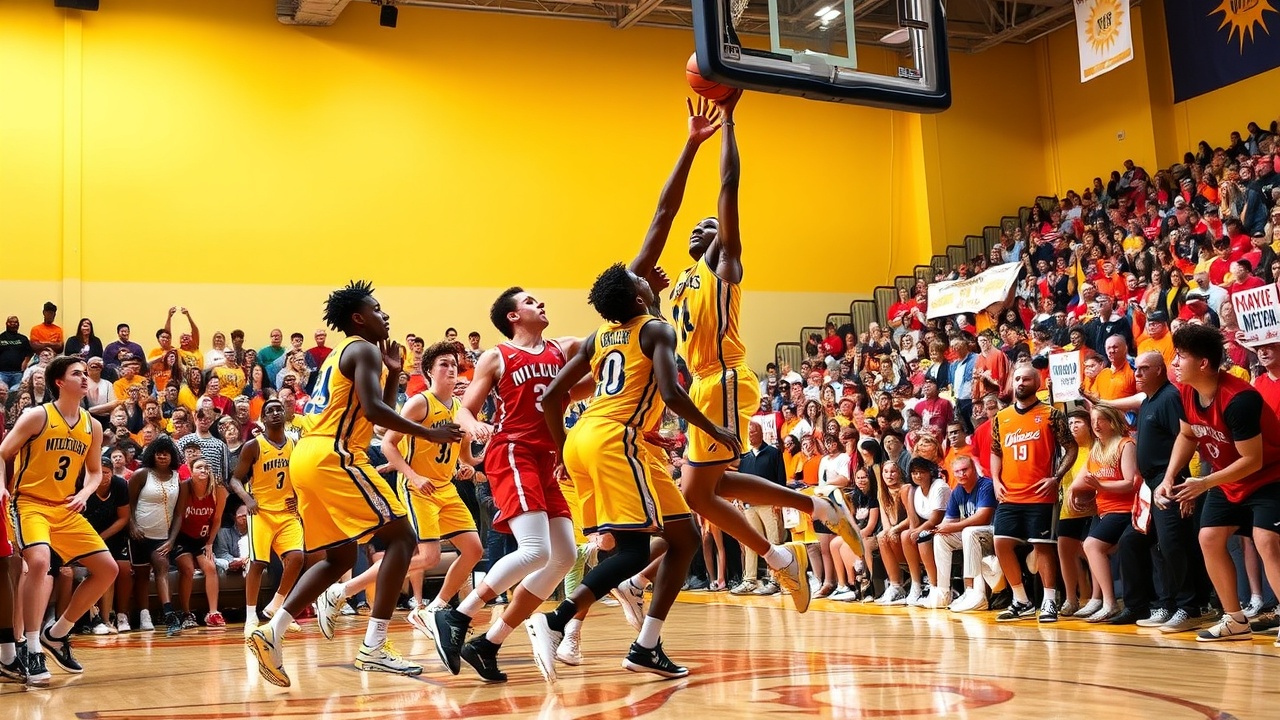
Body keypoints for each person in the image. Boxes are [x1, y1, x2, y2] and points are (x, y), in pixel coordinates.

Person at [653, 91, 860, 614]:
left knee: (698, 492)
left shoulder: (724, 265)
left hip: (724, 376)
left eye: (712, 225)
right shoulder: (679, 287)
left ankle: (783, 551)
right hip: (704, 382)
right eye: (698, 226)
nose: (704, 227)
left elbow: (729, 185)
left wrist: (728, 122)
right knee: (704, 489)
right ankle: (813, 513)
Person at [247, 281, 463, 687]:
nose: (385, 315)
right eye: (377, 309)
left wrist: (394, 373)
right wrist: (428, 432)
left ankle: (272, 630)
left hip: (307, 457)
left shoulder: (343, 354)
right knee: (402, 539)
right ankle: (374, 646)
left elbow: (374, 408)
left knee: (339, 558)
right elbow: (376, 411)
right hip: (336, 454)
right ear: (359, 318)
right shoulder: (363, 348)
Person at [535, 262, 739, 680]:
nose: (644, 277)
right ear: (637, 296)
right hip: (616, 438)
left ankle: (646, 646)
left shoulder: (599, 337)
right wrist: (713, 428)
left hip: (584, 436)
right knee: (632, 551)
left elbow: (552, 396)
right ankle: (556, 621)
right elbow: (672, 393)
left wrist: (561, 451)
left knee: (685, 537)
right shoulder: (657, 330)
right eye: (639, 280)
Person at [433, 286, 582, 683]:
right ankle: (456, 614)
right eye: (530, 302)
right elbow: (465, 411)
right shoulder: (498, 355)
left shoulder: (562, 348)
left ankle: (488, 643)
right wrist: (475, 426)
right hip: (513, 450)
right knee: (535, 550)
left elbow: (606, 341)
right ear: (513, 316)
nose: (541, 303)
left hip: (547, 458)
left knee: (564, 556)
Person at [1160, 324, 1280, 642]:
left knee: (1266, 540)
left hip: (1270, 476)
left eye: (1180, 356)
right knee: (1210, 538)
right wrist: (1169, 476)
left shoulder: (1240, 399)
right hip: (1228, 478)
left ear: (1202, 363)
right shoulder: (1186, 391)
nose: (1174, 362)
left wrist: (1204, 482)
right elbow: (1187, 435)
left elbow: (1252, 460)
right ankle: (1235, 620)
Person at [0, 356, 116, 684]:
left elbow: (94, 471)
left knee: (108, 570)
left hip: (65, 507)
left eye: (86, 373)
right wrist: (1, 487)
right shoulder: (38, 415)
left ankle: (58, 633)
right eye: (77, 373)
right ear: (59, 382)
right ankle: (31, 647)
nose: (85, 378)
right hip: (30, 503)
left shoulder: (92, 426)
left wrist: (85, 493)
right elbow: (3, 452)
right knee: (39, 562)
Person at [365, 342, 484, 641]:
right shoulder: (419, 403)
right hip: (418, 488)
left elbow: (465, 456)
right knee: (430, 557)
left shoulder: (460, 408)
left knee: (474, 550)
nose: (451, 369)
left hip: (446, 488)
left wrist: (471, 464)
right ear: (429, 371)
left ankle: (434, 608)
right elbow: (388, 444)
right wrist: (414, 477)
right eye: (444, 364)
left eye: (454, 364)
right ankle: (350, 587)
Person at [1112, 352, 1213, 631]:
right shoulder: (1148, 400)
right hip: (1151, 483)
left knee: (1173, 544)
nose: (1137, 373)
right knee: (1145, 544)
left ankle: (1189, 607)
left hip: (1170, 480)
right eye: (1136, 369)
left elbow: (1187, 438)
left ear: (1160, 370)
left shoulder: (1169, 398)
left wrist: (1178, 481)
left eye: (1144, 369)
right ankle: (1165, 603)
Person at [990, 363, 1077, 622]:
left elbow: (1071, 448)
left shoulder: (1051, 414)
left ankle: (1049, 601)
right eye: (1017, 378)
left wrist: (1056, 477)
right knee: (1001, 543)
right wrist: (995, 480)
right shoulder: (1001, 417)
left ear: (1037, 384)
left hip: (1040, 495)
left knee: (1043, 547)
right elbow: (996, 451)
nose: (1020, 383)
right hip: (1009, 494)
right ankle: (1021, 600)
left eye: (1026, 379)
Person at [229, 399, 305, 637]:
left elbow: (302, 476)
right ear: (262, 419)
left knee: (297, 558)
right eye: (269, 410)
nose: (275, 413)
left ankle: (277, 606)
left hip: (287, 512)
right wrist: (247, 499)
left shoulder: (294, 443)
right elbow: (234, 479)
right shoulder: (254, 445)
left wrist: (299, 497)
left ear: (285, 414)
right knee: (258, 563)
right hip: (260, 512)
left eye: (278, 409)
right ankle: (251, 616)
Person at [1067, 404, 1138, 623]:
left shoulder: (1126, 444)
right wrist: (1072, 491)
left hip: (1124, 509)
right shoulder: (1097, 448)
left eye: (1101, 420)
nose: (1096, 425)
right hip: (1103, 510)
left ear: (1113, 422)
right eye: (1093, 421)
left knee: (1092, 545)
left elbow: (1130, 482)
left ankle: (1110, 603)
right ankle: (1097, 599)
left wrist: (1101, 486)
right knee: (1087, 547)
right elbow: (1082, 479)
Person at [168, 458, 228, 631]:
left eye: (206, 467)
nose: (203, 470)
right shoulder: (184, 487)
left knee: (211, 567)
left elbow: (217, 519)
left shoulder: (218, 490)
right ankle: (186, 613)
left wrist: (210, 543)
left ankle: (213, 613)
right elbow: (178, 515)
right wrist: (171, 541)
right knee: (187, 569)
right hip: (182, 537)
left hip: (201, 539)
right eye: (199, 467)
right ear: (191, 470)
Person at [935, 454, 998, 613]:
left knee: (968, 531)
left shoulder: (986, 485)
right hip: (973, 536)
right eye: (957, 471)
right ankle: (943, 592)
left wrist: (954, 527)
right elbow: (948, 521)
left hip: (993, 533)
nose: (961, 474)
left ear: (974, 469)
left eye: (965, 469)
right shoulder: (957, 491)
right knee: (940, 537)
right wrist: (938, 528)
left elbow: (983, 518)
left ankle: (975, 593)